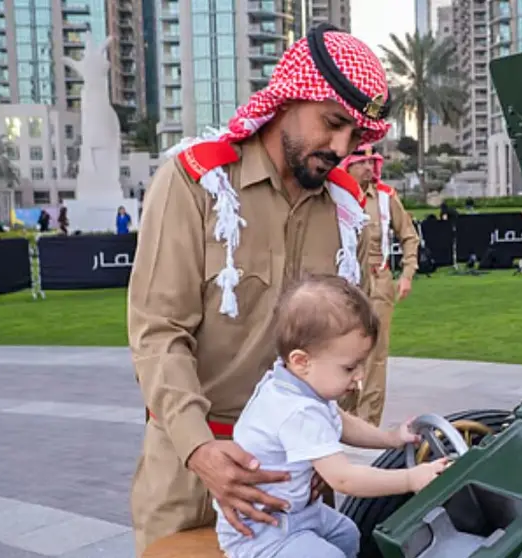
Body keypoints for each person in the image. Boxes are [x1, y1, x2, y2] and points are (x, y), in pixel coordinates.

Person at [127, 22, 394, 554]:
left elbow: (357, 343)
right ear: (288, 99)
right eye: (332, 123)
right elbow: (159, 333)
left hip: (299, 476)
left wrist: (331, 448)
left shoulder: (346, 212)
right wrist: (199, 450)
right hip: (192, 469)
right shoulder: (197, 184)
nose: (341, 147)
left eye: (355, 134)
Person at [215, 275, 446, 558]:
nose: (360, 376)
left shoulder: (296, 385)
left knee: (347, 534)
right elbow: (344, 479)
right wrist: (410, 479)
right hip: (262, 531)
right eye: (349, 368)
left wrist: (391, 438)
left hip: (296, 513)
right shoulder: (297, 410)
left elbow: (341, 422)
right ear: (302, 361)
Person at [336, 144, 420, 427]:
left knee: (376, 353)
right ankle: (341, 416)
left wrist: (407, 273)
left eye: (373, 162)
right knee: (341, 347)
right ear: (348, 165)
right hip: (344, 284)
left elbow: (409, 235)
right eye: (362, 163)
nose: (369, 168)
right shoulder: (334, 195)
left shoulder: (385, 196)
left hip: (378, 280)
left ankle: (368, 422)